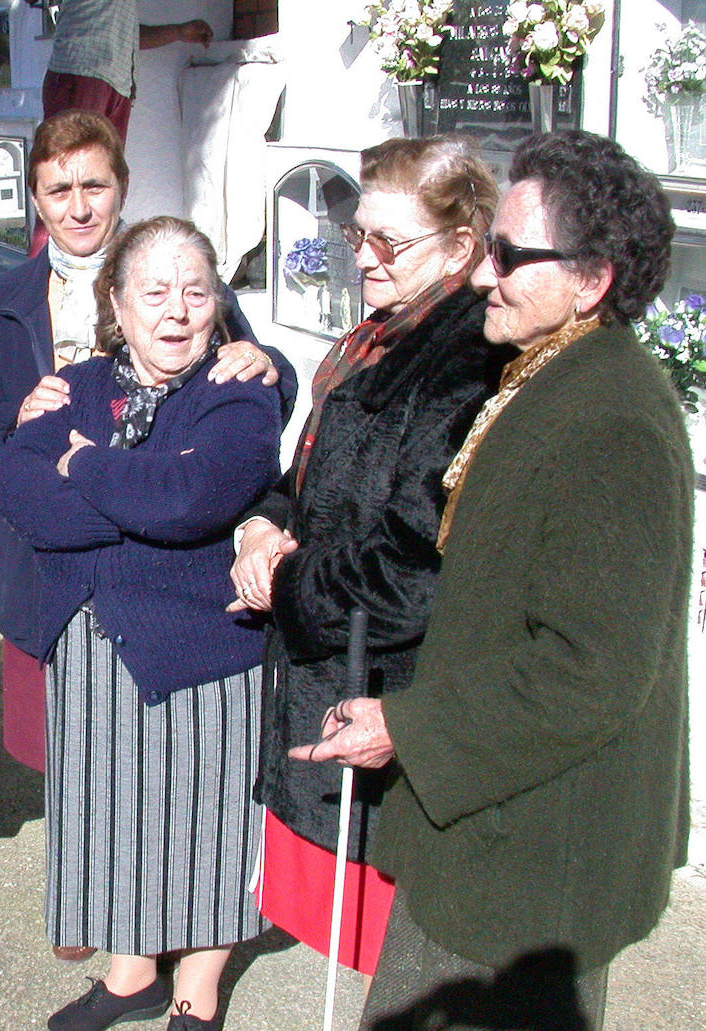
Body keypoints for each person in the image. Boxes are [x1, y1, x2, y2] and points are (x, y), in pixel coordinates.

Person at [295, 130, 692, 1031]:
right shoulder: (557, 370)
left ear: (592, 280)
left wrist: (409, 724)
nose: (482, 274)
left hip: (529, 859)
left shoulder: (613, 421)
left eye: (510, 255)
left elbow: (591, 669)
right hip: (494, 828)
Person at [0, 110, 291, 798]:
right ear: (35, 200)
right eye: (58, 190)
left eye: (93, 186)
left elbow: (245, 384)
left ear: (121, 187)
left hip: (172, 573)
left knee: (164, 774)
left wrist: (269, 360)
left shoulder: (177, 271)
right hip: (49, 565)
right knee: (70, 771)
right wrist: (22, 420)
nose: (77, 206)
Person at [0, 217, 284, 1031]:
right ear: (117, 304)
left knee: (209, 817)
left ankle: (198, 986)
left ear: (217, 301)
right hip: (92, 645)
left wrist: (85, 464)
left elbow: (196, 499)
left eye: (195, 291)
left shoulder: (239, 386)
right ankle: (130, 976)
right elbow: (22, 495)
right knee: (111, 814)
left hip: (201, 645)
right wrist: (146, 505)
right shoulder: (78, 384)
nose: (176, 311)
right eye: (153, 292)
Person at [227, 136, 506, 978]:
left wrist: (286, 584)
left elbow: (416, 569)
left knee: (407, 960)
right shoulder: (376, 335)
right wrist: (259, 526)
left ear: (462, 246)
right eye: (359, 236)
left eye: (392, 242)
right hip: (325, 668)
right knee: (359, 961)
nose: (366, 258)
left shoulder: (468, 358)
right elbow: (305, 479)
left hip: (386, 689)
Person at [40, 0, 212, 142]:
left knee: (106, 178)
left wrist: (178, 32)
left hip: (118, 86)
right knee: (71, 169)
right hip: (82, 72)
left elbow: (127, 37)